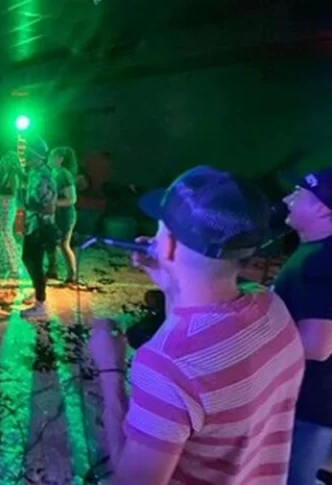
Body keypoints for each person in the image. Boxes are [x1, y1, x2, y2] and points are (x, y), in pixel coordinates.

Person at [89, 166, 304, 484]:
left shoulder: (165, 367)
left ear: (169, 245)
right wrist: (169, 281)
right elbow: (192, 329)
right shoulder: (271, 306)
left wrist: (110, 370)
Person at [273, 168, 332, 485]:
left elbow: (317, 345)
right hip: (308, 402)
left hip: (309, 405)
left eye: (298, 194)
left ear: (323, 209)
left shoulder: (322, 261)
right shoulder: (315, 253)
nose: (287, 199)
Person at [20, 136, 58, 320]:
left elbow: (49, 206)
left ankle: (40, 304)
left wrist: (30, 207)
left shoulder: (44, 175)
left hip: (40, 226)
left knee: (33, 260)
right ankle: (38, 292)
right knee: (31, 260)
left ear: (36, 155)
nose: (25, 156)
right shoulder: (35, 172)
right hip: (33, 224)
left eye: (28, 153)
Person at [47, 146, 78, 284]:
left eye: (51, 157)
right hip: (57, 214)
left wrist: (52, 203)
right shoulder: (55, 172)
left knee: (64, 244)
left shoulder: (64, 174)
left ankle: (72, 276)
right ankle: (52, 270)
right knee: (52, 243)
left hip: (66, 215)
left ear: (59, 159)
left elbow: (72, 199)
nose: (48, 159)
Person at [0, 152, 23, 278]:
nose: (3, 162)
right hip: (0, 205)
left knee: (6, 233)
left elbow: (13, 193)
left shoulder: (13, 175)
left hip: (7, 206)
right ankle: (2, 263)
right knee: (0, 233)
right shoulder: (3, 175)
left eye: (6, 160)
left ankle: (14, 263)